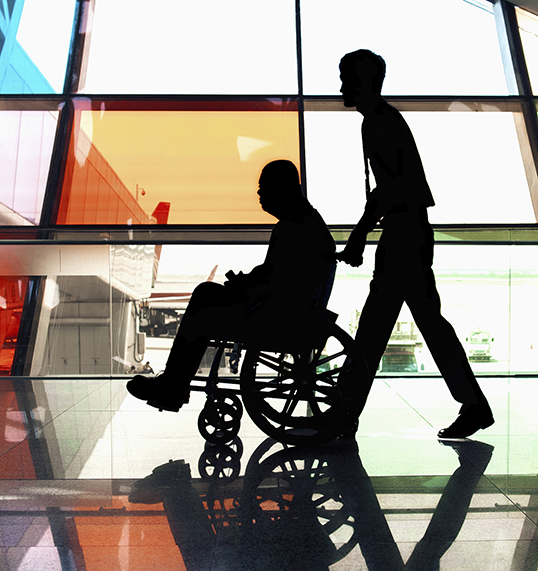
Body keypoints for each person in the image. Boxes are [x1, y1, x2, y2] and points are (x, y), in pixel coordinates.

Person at [337, 49, 494, 439]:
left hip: (403, 234)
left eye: (348, 79)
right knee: (418, 325)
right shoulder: (383, 120)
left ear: (366, 83)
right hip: (410, 232)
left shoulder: (378, 123)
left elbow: (390, 190)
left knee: (375, 329)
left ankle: (342, 414)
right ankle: (473, 404)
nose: (342, 86)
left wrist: (358, 236)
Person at [127, 159, 335, 412]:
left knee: (203, 301)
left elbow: (274, 281)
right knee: (206, 296)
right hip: (288, 313)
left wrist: (243, 285)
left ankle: (172, 385)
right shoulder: (308, 226)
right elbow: (279, 276)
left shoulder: (293, 229)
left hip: (277, 318)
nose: (259, 194)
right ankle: (172, 385)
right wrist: (247, 282)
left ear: (284, 188)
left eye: (264, 187)